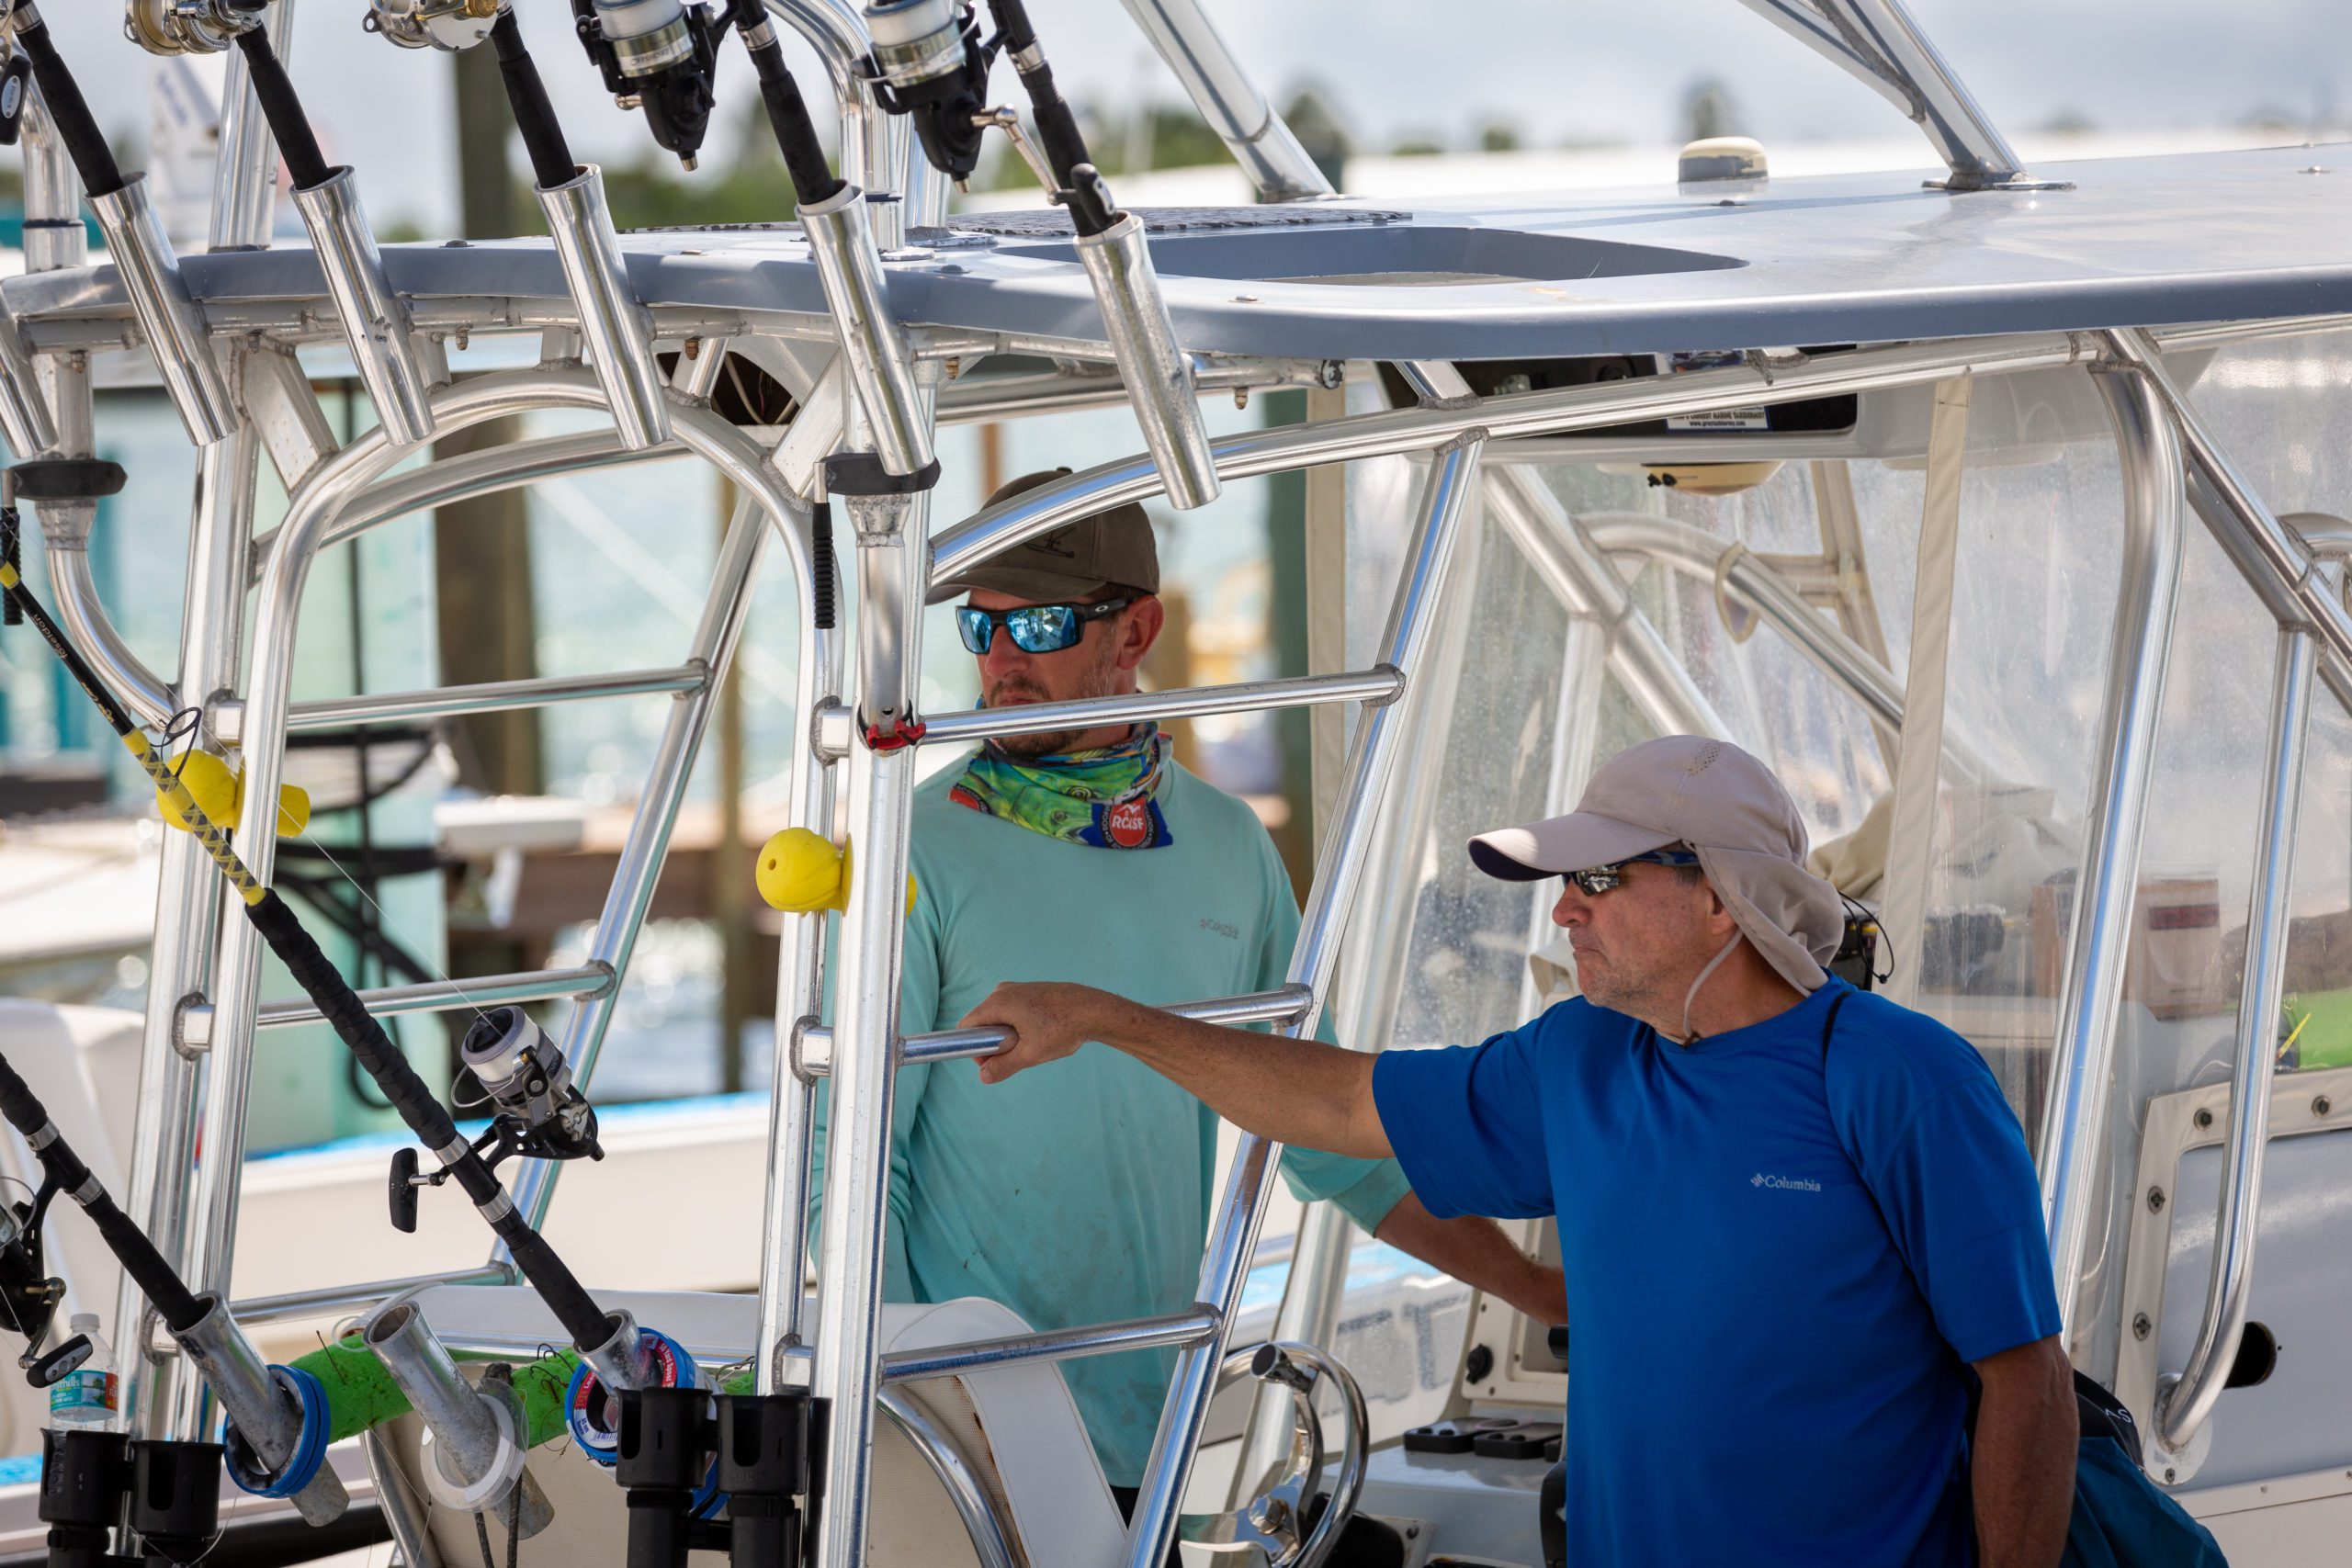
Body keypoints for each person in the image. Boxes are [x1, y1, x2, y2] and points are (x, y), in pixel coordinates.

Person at [962, 735, 2081, 1567]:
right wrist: (1110, 1020)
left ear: (1721, 899)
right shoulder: (1582, 1056)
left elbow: (2024, 1378)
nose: (1563, 914)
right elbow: (1343, 1105)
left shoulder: (1902, 1078)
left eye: (1598, 880)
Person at [808, 470, 1566, 1513]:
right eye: (978, 632)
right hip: (956, 1441)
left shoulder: (1228, 844)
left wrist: (1533, 1291)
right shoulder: (909, 849)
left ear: (1136, 631)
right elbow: (842, 1171)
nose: (997, 663)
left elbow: (1326, 1144)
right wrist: (916, 1404)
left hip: (1147, 1432)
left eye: (1035, 624)